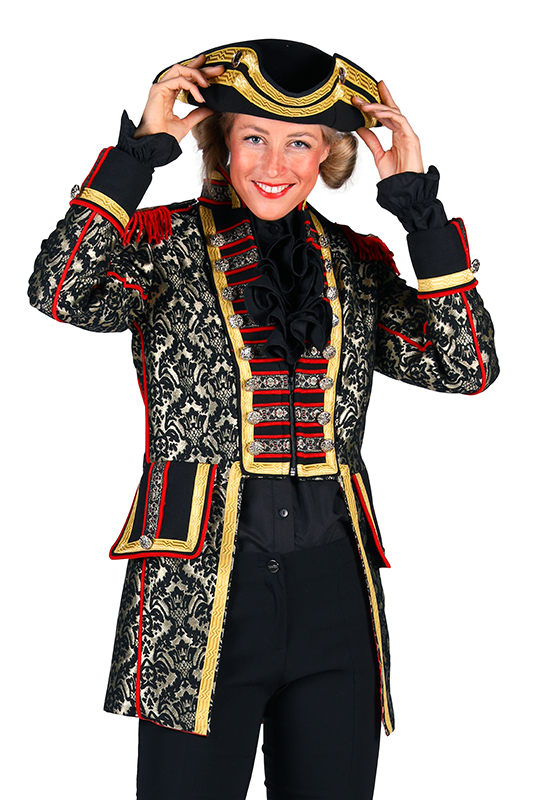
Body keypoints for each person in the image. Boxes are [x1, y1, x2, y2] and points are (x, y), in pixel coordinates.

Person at [29, 39, 499, 800]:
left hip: (334, 593)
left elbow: (465, 365)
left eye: (299, 143)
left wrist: (420, 210)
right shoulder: (162, 242)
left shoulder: (356, 259)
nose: (273, 163)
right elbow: (60, 291)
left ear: (328, 155)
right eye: (253, 137)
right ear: (221, 141)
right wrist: (137, 157)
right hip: (198, 592)